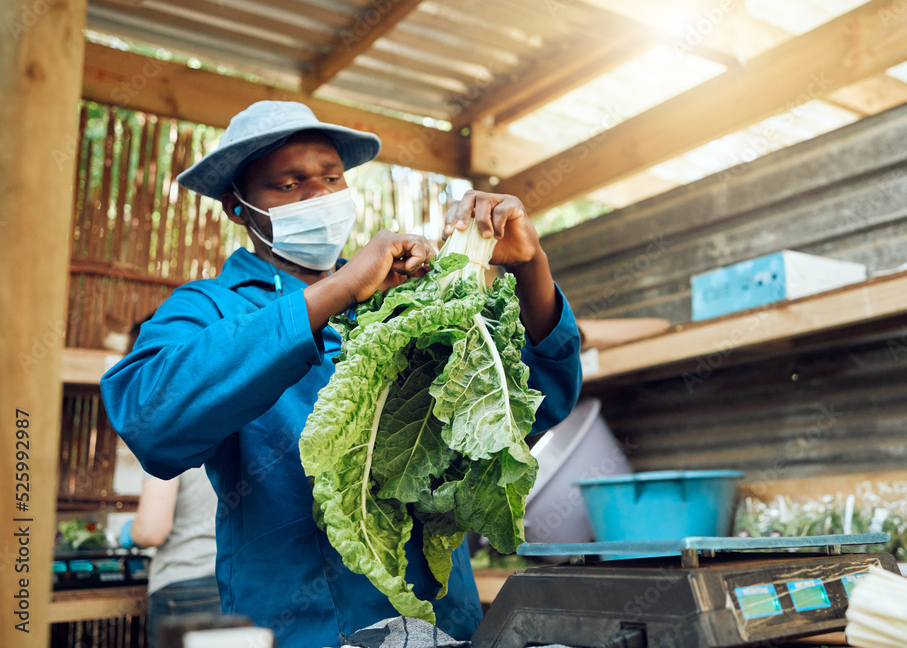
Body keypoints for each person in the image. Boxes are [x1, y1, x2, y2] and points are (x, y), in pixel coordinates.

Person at [100, 101, 582, 648]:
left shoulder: (406, 296)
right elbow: (148, 416)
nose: (319, 197)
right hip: (301, 630)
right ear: (239, 209)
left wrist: (529, 265)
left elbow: (534, 407)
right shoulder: (211, 307)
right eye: (288, 185)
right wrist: (337, 290)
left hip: (444, 623)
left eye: (331, 178)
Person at [118, 318, 221, 648]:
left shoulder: (166, 421)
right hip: (233, 584)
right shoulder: (231, 405)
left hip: (184, 588)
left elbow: (152, 530)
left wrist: (128, 533)